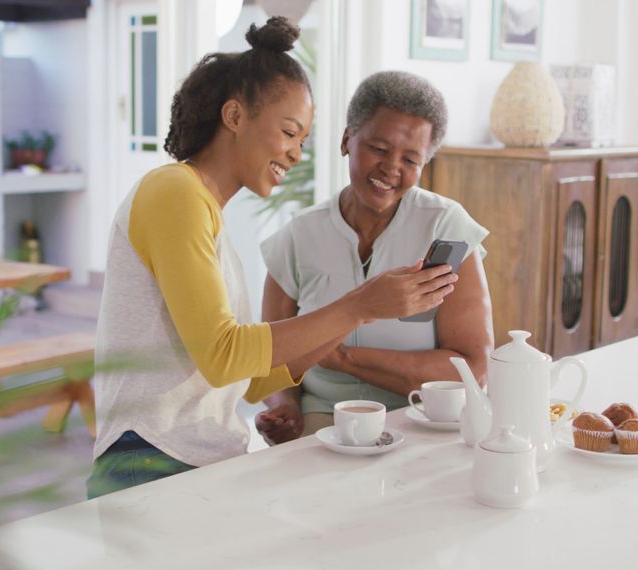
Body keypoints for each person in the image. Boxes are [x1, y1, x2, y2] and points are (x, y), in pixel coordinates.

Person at [87, 20, 459, 498]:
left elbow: (250, 380)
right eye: (289, 131)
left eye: (302, 140)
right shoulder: (173, 192)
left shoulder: (208, 216)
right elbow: (224, 357)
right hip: (149, 458)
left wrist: (361, 315)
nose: (296, 153)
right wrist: (360, 305)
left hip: (196, 457)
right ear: (235, 116)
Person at [255, 71, 494, 444]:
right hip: (325, 422)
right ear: (347, 139)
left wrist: (341, 358)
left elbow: (472, 369)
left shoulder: (447, 228)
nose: (391, 168)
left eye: (411, 159)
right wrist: (284, 404)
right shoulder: (299, 236)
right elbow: (269, 358)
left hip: (420, 420)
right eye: (379, 149)